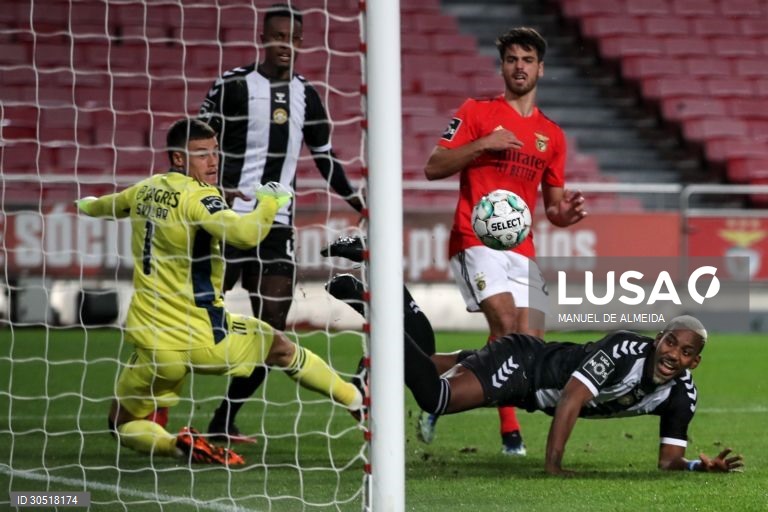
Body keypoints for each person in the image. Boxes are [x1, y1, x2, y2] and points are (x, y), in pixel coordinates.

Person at [75, 118, 364, 465]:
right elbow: (244, 234)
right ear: (178, 158)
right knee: (281, 348)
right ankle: (357, 401)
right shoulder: (200, 196)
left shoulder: (144, 190)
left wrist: (84, 204)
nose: (212, 162)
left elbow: (102, 206)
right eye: (201, 154)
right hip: (203, 336)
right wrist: (269, 202)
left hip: (152, 341)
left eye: (215, 152)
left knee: (121, 423)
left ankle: (174, 445)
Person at [324, 273, 744, 475]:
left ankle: (385, 295)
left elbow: (668, 461)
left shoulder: (682, 397)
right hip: (524, 366)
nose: (673, 354)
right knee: (436, 397)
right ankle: (372, 312)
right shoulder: (624, 349)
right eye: (670, 342)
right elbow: (572, 398)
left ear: (694, 362)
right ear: (658, 338)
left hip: (526, 388)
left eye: (685, 352)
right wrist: (553, 466)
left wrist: (696, 466)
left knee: (427, 361)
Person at [197, 3, 364, 443]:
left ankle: (223, 419)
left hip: (276, 228)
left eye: (291, 38)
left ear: (301, 43)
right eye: (276, 36)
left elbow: (324, 156)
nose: (283, 45)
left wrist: (355, 198)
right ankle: (151, 405)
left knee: (272, 329)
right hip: (224, 222)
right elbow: (197, 143)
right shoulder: (233, 85)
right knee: (193, 317)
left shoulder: (307, 95)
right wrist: (208, 190)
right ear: (262, 37)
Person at [422, 27, 587, 454]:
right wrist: (483, 144)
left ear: (540, 69)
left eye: (527, 60)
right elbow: (434, 166)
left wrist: (566, 215)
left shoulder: (552, 135)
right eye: (512, 59)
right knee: (507, 326)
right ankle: (508, 431)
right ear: (502, 67)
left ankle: (435, 381)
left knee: (529, 348)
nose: (519, 67)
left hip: (522, 248)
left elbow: (553, 208)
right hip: (475, 237)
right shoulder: (476, 111)